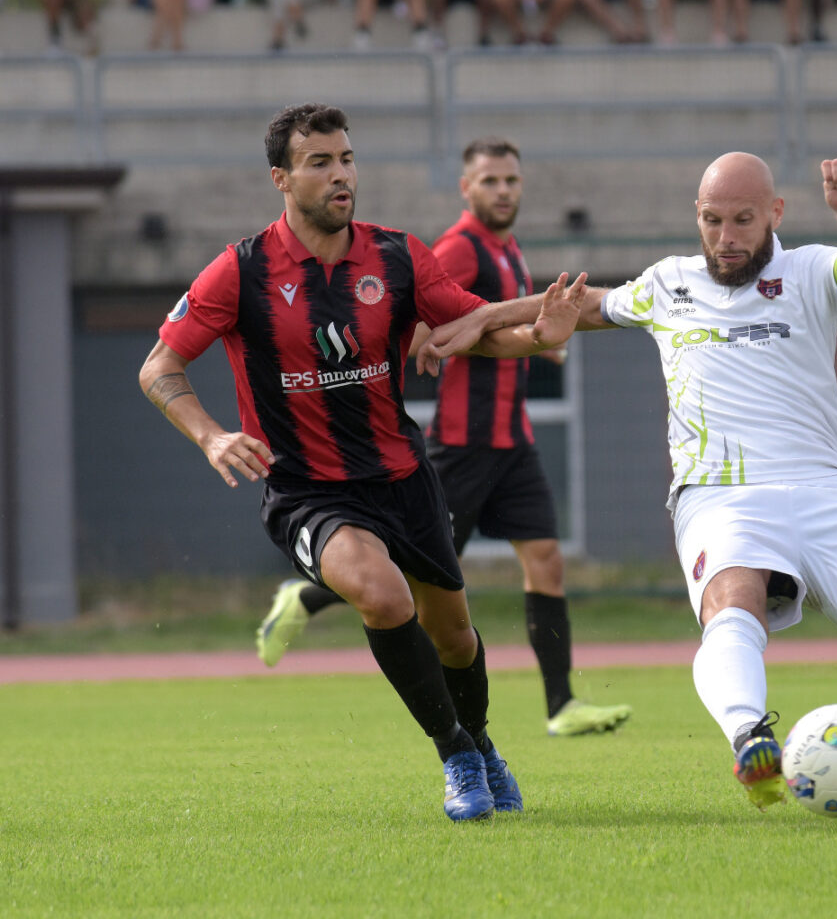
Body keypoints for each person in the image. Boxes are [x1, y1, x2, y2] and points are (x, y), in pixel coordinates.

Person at [418, 152, 837, 813]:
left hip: (825, 492)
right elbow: (576, 302)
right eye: (713, 220)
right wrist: (485, 316)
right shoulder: (667, 283)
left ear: (775, 214)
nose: (726, 237)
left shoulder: (809, 271)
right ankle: (749, 737)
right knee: (732, 605)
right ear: (697, 218)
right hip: (719, 494)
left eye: (742, 220)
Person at [139, 103, 585, 821]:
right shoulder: (240, 269)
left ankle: (481, 741)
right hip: (305, 491)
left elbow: (471, 331)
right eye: (320, 162)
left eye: (346, 159)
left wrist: (538, 336)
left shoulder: (399, 255)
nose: (340, 174)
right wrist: (211, 436)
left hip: (404, 478)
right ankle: (457, 758)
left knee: (456, 637)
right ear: (281, 178)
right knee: (382, 596)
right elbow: (159, 367)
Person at [257, 136, 634, 737]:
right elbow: (414, 323)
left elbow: (498, 326)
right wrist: (408, 356)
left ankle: (561, 703)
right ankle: (305, 598)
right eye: (489, 182)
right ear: (466, 189)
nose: (503, 191)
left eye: (511, 180)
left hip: (514, 439)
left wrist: (539, 342)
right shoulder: (457, 249)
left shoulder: (508, 250)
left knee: (546, 562)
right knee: (414, 577)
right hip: (462, 443)